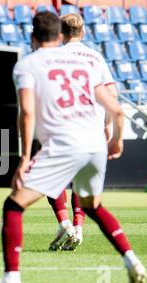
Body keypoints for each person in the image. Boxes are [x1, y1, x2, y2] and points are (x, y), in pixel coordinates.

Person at [0, 11, 146, 283]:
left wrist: (24, 158)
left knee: (14, 205)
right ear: (59, 37)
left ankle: (12, 280)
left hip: (64, 143)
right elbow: (116, 110)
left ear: (33, 37)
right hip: (94, 143)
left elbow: (27, 113)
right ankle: (131, 260)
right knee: (93, 206)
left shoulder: (27, 65)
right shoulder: (85, 63)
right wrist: (117, 141)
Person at [48, 13, 119, 251]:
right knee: (82, 183)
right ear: (83, 32)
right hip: (91, 128)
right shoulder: (96, 57)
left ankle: (64, 222)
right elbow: (112, 94)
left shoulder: (53, 56)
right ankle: (78, 227)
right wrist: (108, 124)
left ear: (61, 33)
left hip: (63, 126)